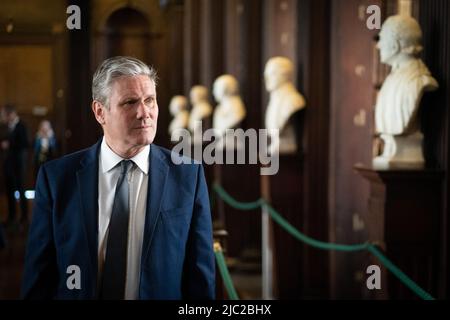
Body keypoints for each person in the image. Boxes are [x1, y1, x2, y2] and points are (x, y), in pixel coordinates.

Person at [22, 56, 215, 300]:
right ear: (100, 112)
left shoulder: (188, 176)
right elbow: (39, 277)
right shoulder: (57, 178)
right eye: (130, 102)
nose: (144, 113)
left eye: (150, 101)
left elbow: (200, 277)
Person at [374, 15, 438, 168]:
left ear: (396, 45)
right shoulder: (391, 80)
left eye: (382, 39)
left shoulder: (418, 81)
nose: (378, 45)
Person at [264, 56, 305, 155]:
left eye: (272, 74)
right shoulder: (274, 99)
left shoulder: (293, 100)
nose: (266, 78)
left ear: (284, 75)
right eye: (266, 74)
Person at [0, 104, 29, 225]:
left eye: (4, 114)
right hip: (8, 165)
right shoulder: (6, 127)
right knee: (9, 190)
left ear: (11, 114)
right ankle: (11, 217)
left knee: (21, 190)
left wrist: (9, 145)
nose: (3, 117)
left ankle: (24, 217)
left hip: (18, 164)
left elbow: (25, 143)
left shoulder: (22, 126)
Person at [212, 74, 246, 149]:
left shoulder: (237, 105)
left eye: (216, 88)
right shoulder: (219, 108)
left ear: (225, 88)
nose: (213, 91)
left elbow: (237, 117)